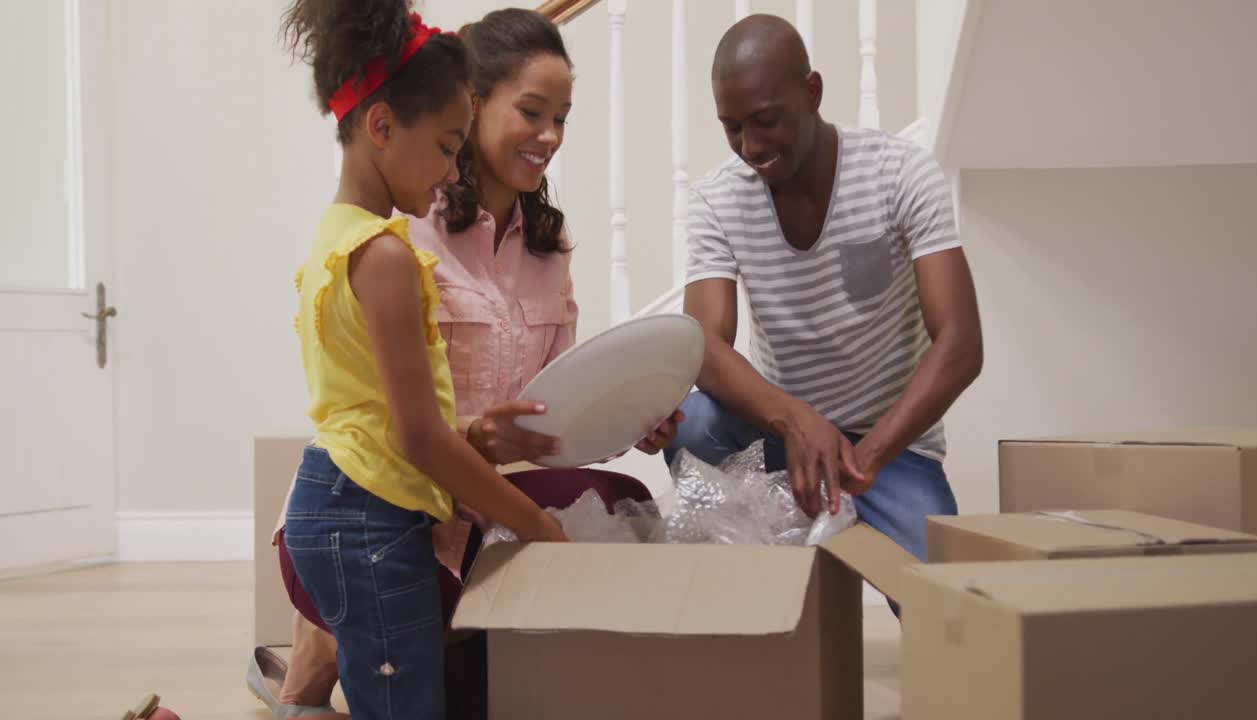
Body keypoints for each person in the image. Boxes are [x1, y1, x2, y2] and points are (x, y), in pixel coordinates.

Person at [253, 9, 680, 718]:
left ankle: (368, 643)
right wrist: (525, 510)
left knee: (618, 503)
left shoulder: (544, 246)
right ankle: (322, 646)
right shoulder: (396, 234)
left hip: (448, 497)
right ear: (471, 107)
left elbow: (555, 411)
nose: (550, 136)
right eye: (532, 112)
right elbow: (414, 434)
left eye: (562, 119)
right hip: (389, 507)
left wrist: (629, 414)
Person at [275, 3, 568, 718]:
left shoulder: (338, 234)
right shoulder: (386, 257)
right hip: (366, 517)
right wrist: (532, 524)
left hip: (345, 503)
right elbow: (421, 436)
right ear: (381, 127)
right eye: (444, 147)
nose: (449, 171)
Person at [665, 15, 983, 597]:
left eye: (766, 121)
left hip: (892, 449)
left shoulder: (900, 172)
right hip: (784, 437)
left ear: (812, 92)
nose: (750, 147)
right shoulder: (717, 200)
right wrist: (796, 419)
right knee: (694, 423)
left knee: (946, 612)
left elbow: (961, 343)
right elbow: (702, 347)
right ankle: (747, 584)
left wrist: (867, 457)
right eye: (732, 128)